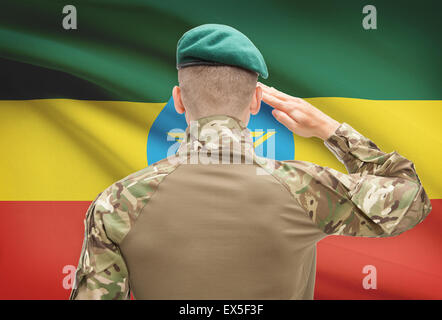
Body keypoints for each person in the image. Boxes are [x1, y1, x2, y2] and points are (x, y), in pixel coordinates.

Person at [70, 24, 432, 300]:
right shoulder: (305, 189)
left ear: (178, 100)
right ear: (257, 101)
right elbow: (411, 198)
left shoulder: (116, 203)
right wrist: (330, 130)